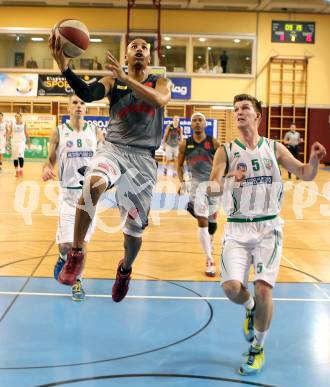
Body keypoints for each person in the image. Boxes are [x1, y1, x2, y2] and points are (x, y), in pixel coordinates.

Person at [209, 93, 326, 375]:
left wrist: (313, 160)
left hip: (268, 228)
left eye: (245, 108)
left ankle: (257, 349)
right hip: (237, 228)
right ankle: (249, 306)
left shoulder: (274, 148)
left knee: (263, 288)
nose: (239, 112)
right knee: (231, 288)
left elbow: (305, 173)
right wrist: (228, 180)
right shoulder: (225, 150)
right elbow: (211, 188)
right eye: (235, 108)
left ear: (257, 116)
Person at [49, 35, 171, 302]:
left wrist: (127, 79)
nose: (139, 49)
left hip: (143, 159)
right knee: (92, 184)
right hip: (114, 149)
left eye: (144, 47)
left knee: (133, 234)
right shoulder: (113, 81)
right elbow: (88, 94)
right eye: (133, 47)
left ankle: (125, 270)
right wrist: (65, 67)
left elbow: (159, 101)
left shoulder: (159, 82)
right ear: (126, 56)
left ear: (149, 57)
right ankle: (76, 254)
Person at [42, 95, 104, 301]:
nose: (79, 106)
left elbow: (105, 158)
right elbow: (50, 160)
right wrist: (46, 168)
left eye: (82, 103)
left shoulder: (95, 132)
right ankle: (62, 257)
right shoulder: (58, 131)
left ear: (86, 108)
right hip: (68, 197)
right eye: (75, 103)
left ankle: (77, 283)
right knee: (66, 246)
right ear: (68, 107)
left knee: (81, 245)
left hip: (88, 198)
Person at [177, 112, 220, 277]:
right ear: (191, 124)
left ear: (205, 124)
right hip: (196, 186)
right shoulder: (184, 144)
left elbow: (223, 162)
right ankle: (209, 259)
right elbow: (179, 165)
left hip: (213, 185)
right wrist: (182, 182)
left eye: (200, 120)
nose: (197, 123)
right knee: (202, 219)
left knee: (212, 223)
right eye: (194, 120)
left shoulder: (213, 142)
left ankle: (210, 238)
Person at [7, 113, 30, 177]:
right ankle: (17, 171)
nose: (17, 117)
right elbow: (9, 132)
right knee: (15, 158)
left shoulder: (24, 124)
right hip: (14, 142)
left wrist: (28, 142)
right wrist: (7, 141)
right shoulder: (12, 124)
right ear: (15, 117)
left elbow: (27, 133)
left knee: (20, 156)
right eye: (16, 116)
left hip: (21, 142)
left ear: (21, 117)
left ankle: (21, 170)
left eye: (19, 116)